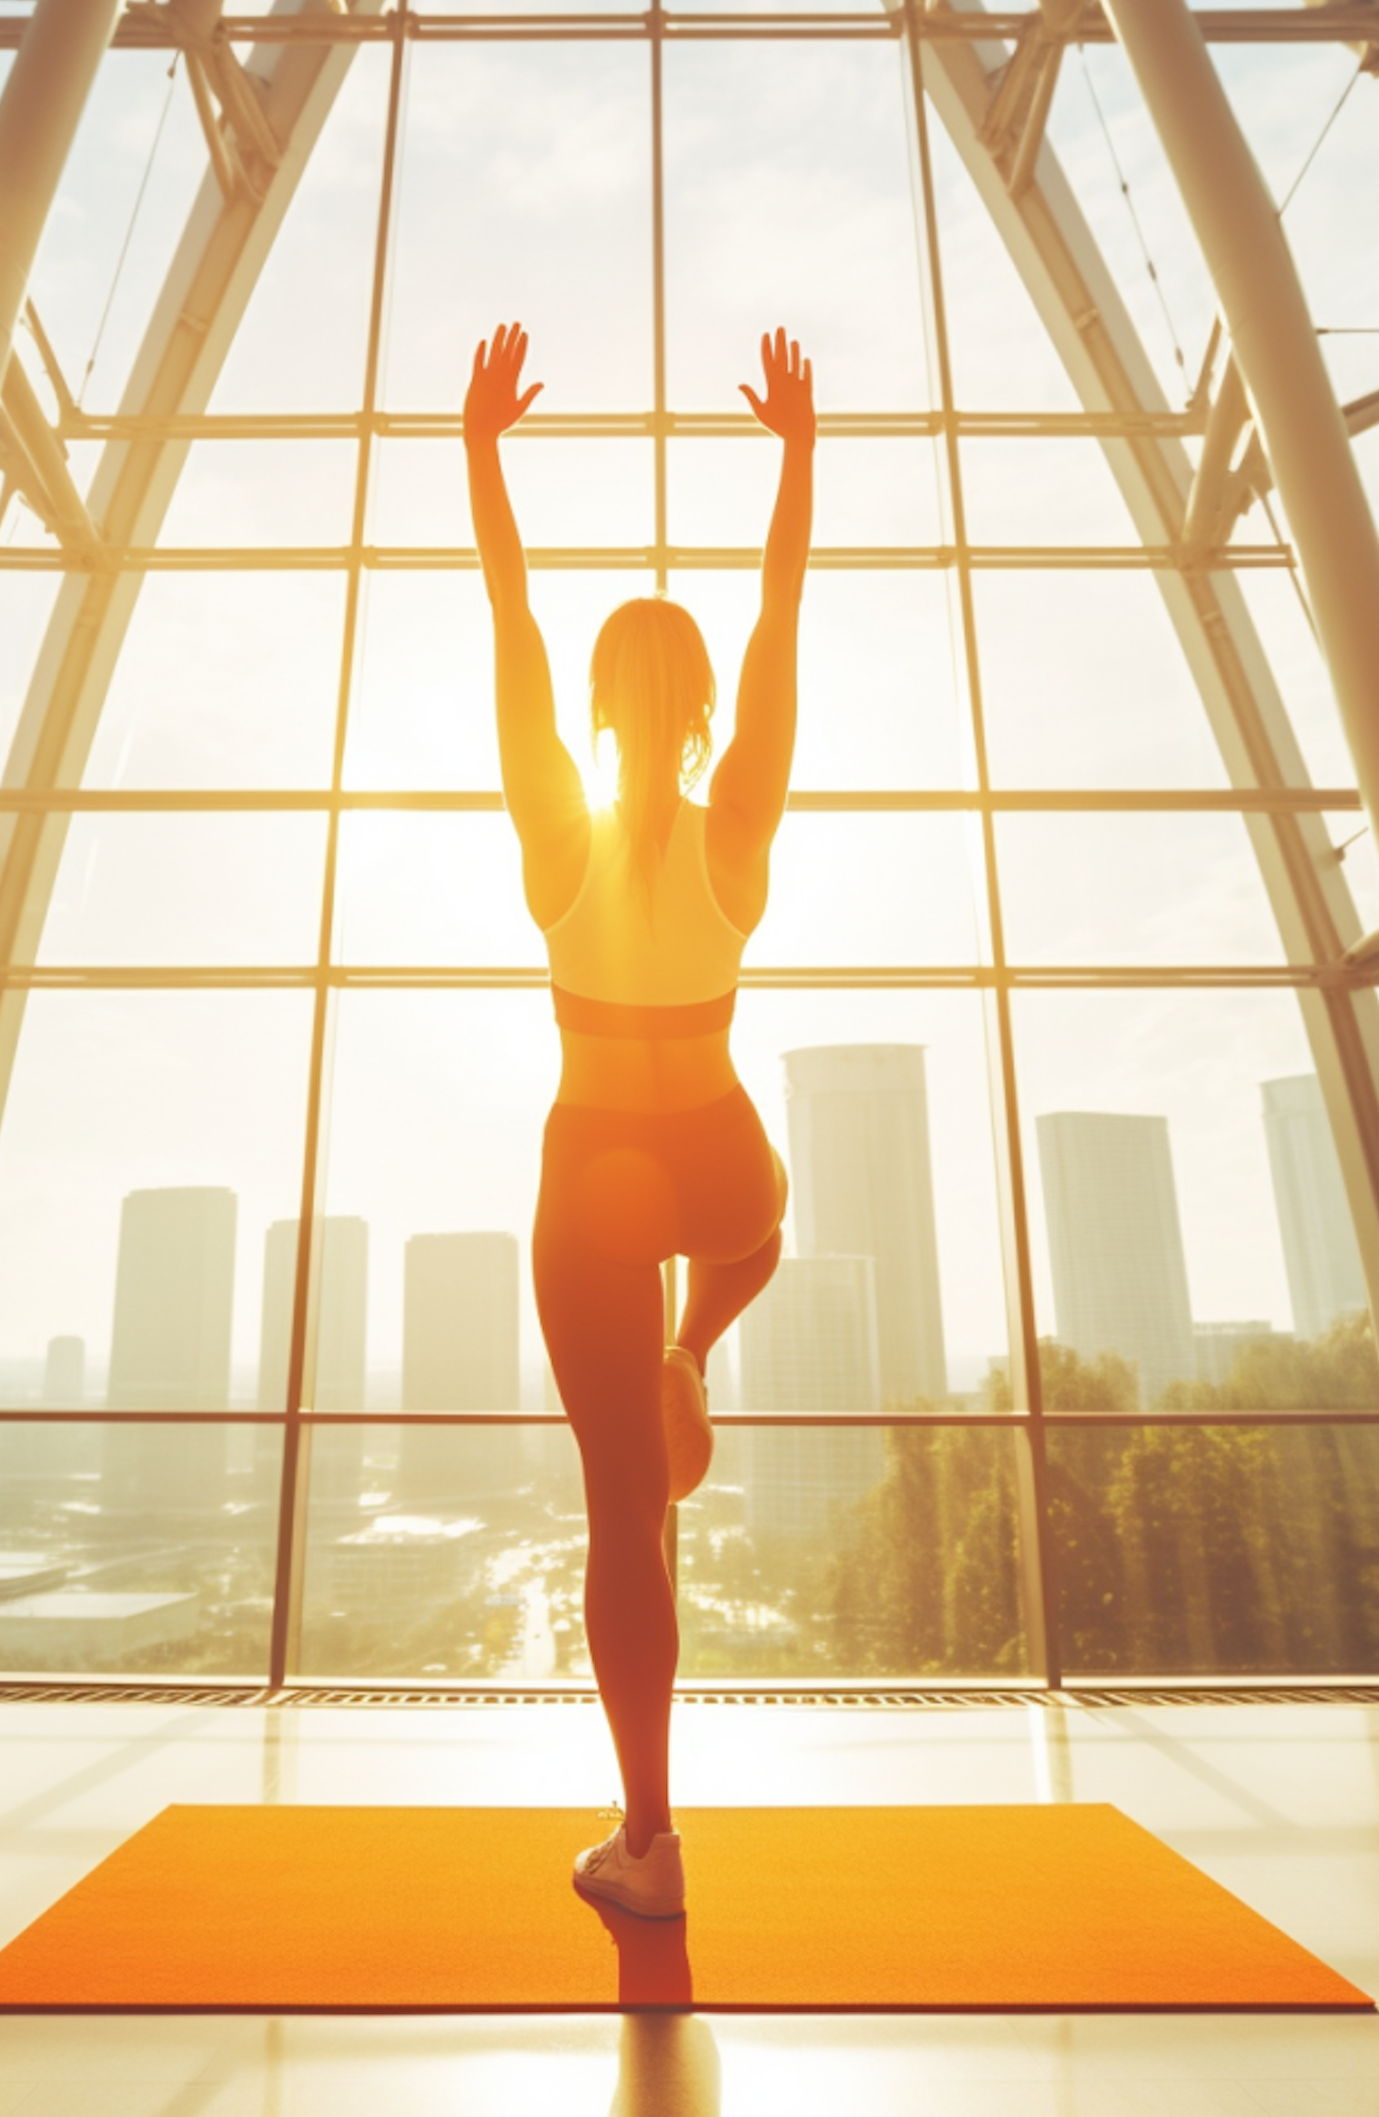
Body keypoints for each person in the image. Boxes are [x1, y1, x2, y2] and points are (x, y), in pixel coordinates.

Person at [464, 320, 815, 1921]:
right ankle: (704, 1337)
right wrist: (797, 459)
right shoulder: (737, 822)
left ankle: (650, 1843)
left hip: (596, 1179)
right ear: (690, 714)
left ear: (605, 707)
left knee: (624, 1522)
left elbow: (511, 628)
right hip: (723, 1164)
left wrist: (484, 454)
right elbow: (779, 630)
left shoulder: (558, 832)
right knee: (760, 1223)